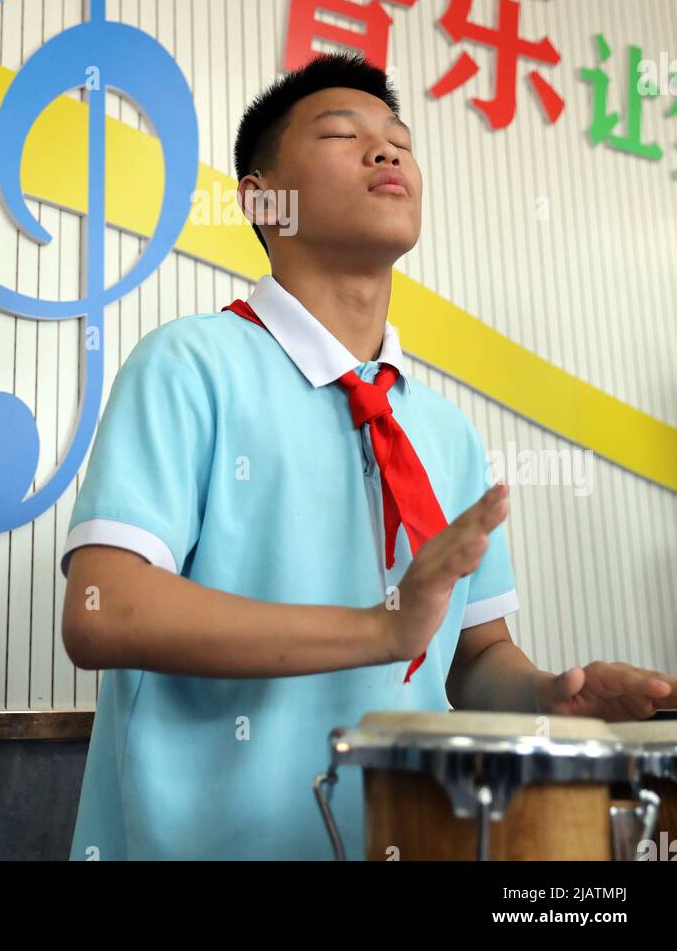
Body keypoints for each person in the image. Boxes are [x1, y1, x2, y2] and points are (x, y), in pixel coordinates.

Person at [61, 49, 676, 861]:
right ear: (263, 199)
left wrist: (547, 699)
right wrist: (376, 627)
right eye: (342, 134)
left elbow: (472, 657)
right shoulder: (189, 365)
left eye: (400, 139)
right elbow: (104, 611)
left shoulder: (445, 430)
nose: (388, 153)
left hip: (394, 843)